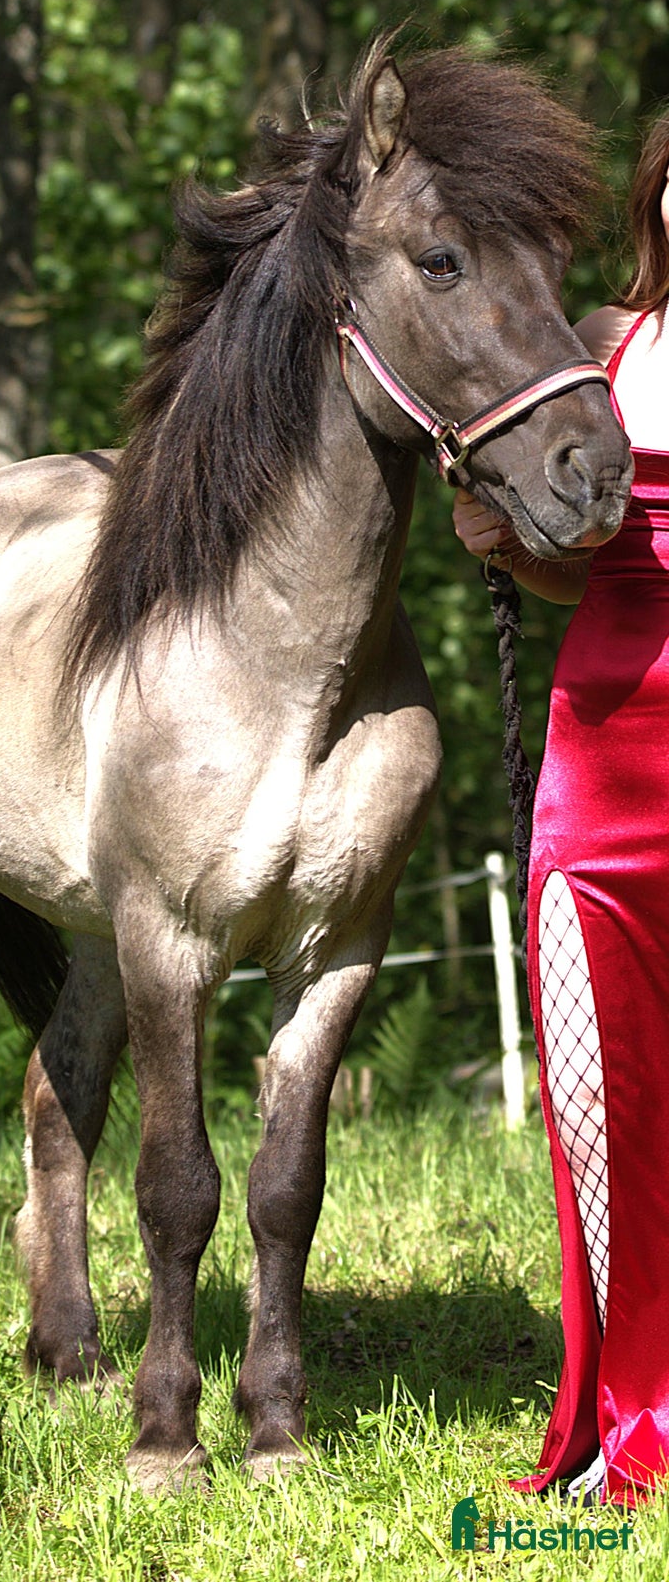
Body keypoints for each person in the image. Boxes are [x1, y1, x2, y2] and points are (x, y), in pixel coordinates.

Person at [454, 109, 669, 1508]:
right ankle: (627, 1406)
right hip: (599, 761)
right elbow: (576, 566)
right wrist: (501, 539)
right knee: (597, 1099)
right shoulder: (601, 348)